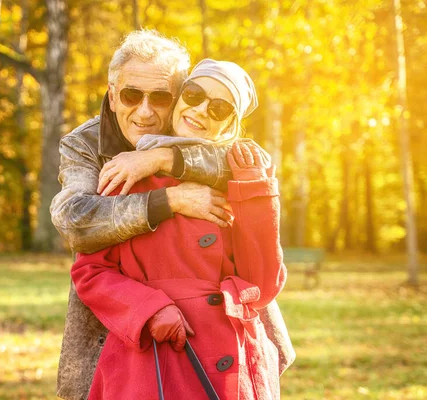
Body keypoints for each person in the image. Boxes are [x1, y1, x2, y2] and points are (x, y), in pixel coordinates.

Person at [51, 30, 295, 400]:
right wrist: (171, 200)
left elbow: (243, 160)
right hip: (137, 333)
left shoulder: (211, 141)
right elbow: (76, 220)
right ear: (113, 94)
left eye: (161, 97)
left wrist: (162, 157)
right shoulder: (90, 150)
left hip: (228, 338)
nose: (146, 112)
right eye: (132, 95)